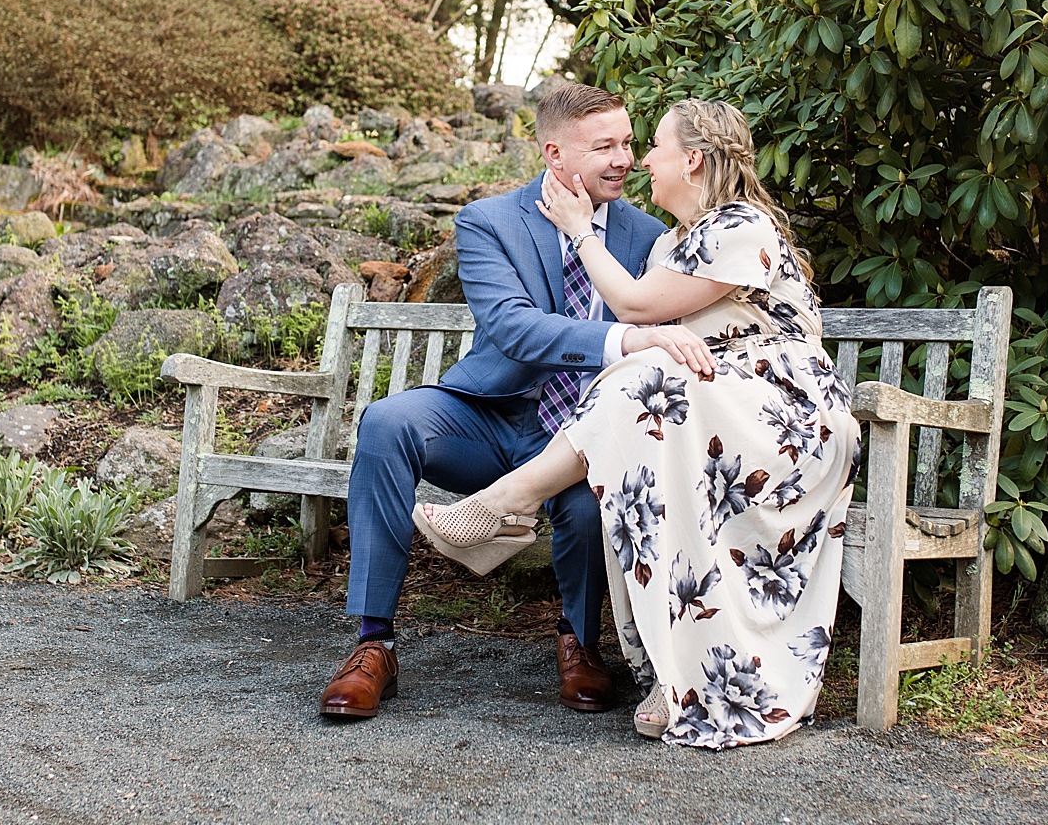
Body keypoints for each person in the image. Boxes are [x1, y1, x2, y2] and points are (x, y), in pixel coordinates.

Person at [413, 99, 860, 748]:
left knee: (641, 381)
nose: (642, 159)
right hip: (706, 408)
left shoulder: (742, 224)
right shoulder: (669, 242)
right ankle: (669, 672)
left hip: (782, 413)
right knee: (639, 404)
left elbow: (634, 306)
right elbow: (649, 332)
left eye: (653, 145)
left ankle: (509, 502)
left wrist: (581, 232)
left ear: (694, 159)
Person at [320, 84, 705, 720]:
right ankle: (372, 644)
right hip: (496, 418)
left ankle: (579, 641)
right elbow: (512, 328)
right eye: (603, 146)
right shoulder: (489, 221)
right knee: (387, 422)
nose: (624, 160)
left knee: (586, 501)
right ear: (555, 153)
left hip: (589, 435)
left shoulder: (651, 236)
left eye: (630, 143)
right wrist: (626, 336)